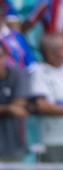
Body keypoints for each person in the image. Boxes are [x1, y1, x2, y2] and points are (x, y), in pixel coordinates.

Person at [31, 33, 63, 162]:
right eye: (61, 48)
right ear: (50, 52)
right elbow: (42, 105)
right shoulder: (38, 71)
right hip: (51, 140)